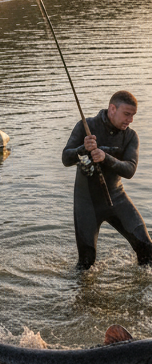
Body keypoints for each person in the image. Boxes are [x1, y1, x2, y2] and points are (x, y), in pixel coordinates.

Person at [62, 90, 152, 269]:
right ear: (112, 109)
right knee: (86, 263)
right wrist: (82, 148)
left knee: (148, 250)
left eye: (133, 115)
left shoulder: (131, 136)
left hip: (116, 198)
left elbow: (130, 170)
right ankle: (82, 294)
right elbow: (66, 159)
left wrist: (106, 157)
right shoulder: (86, 126)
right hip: (86, 203)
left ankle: (143, 292)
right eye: (127, 114)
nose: (130, 120)